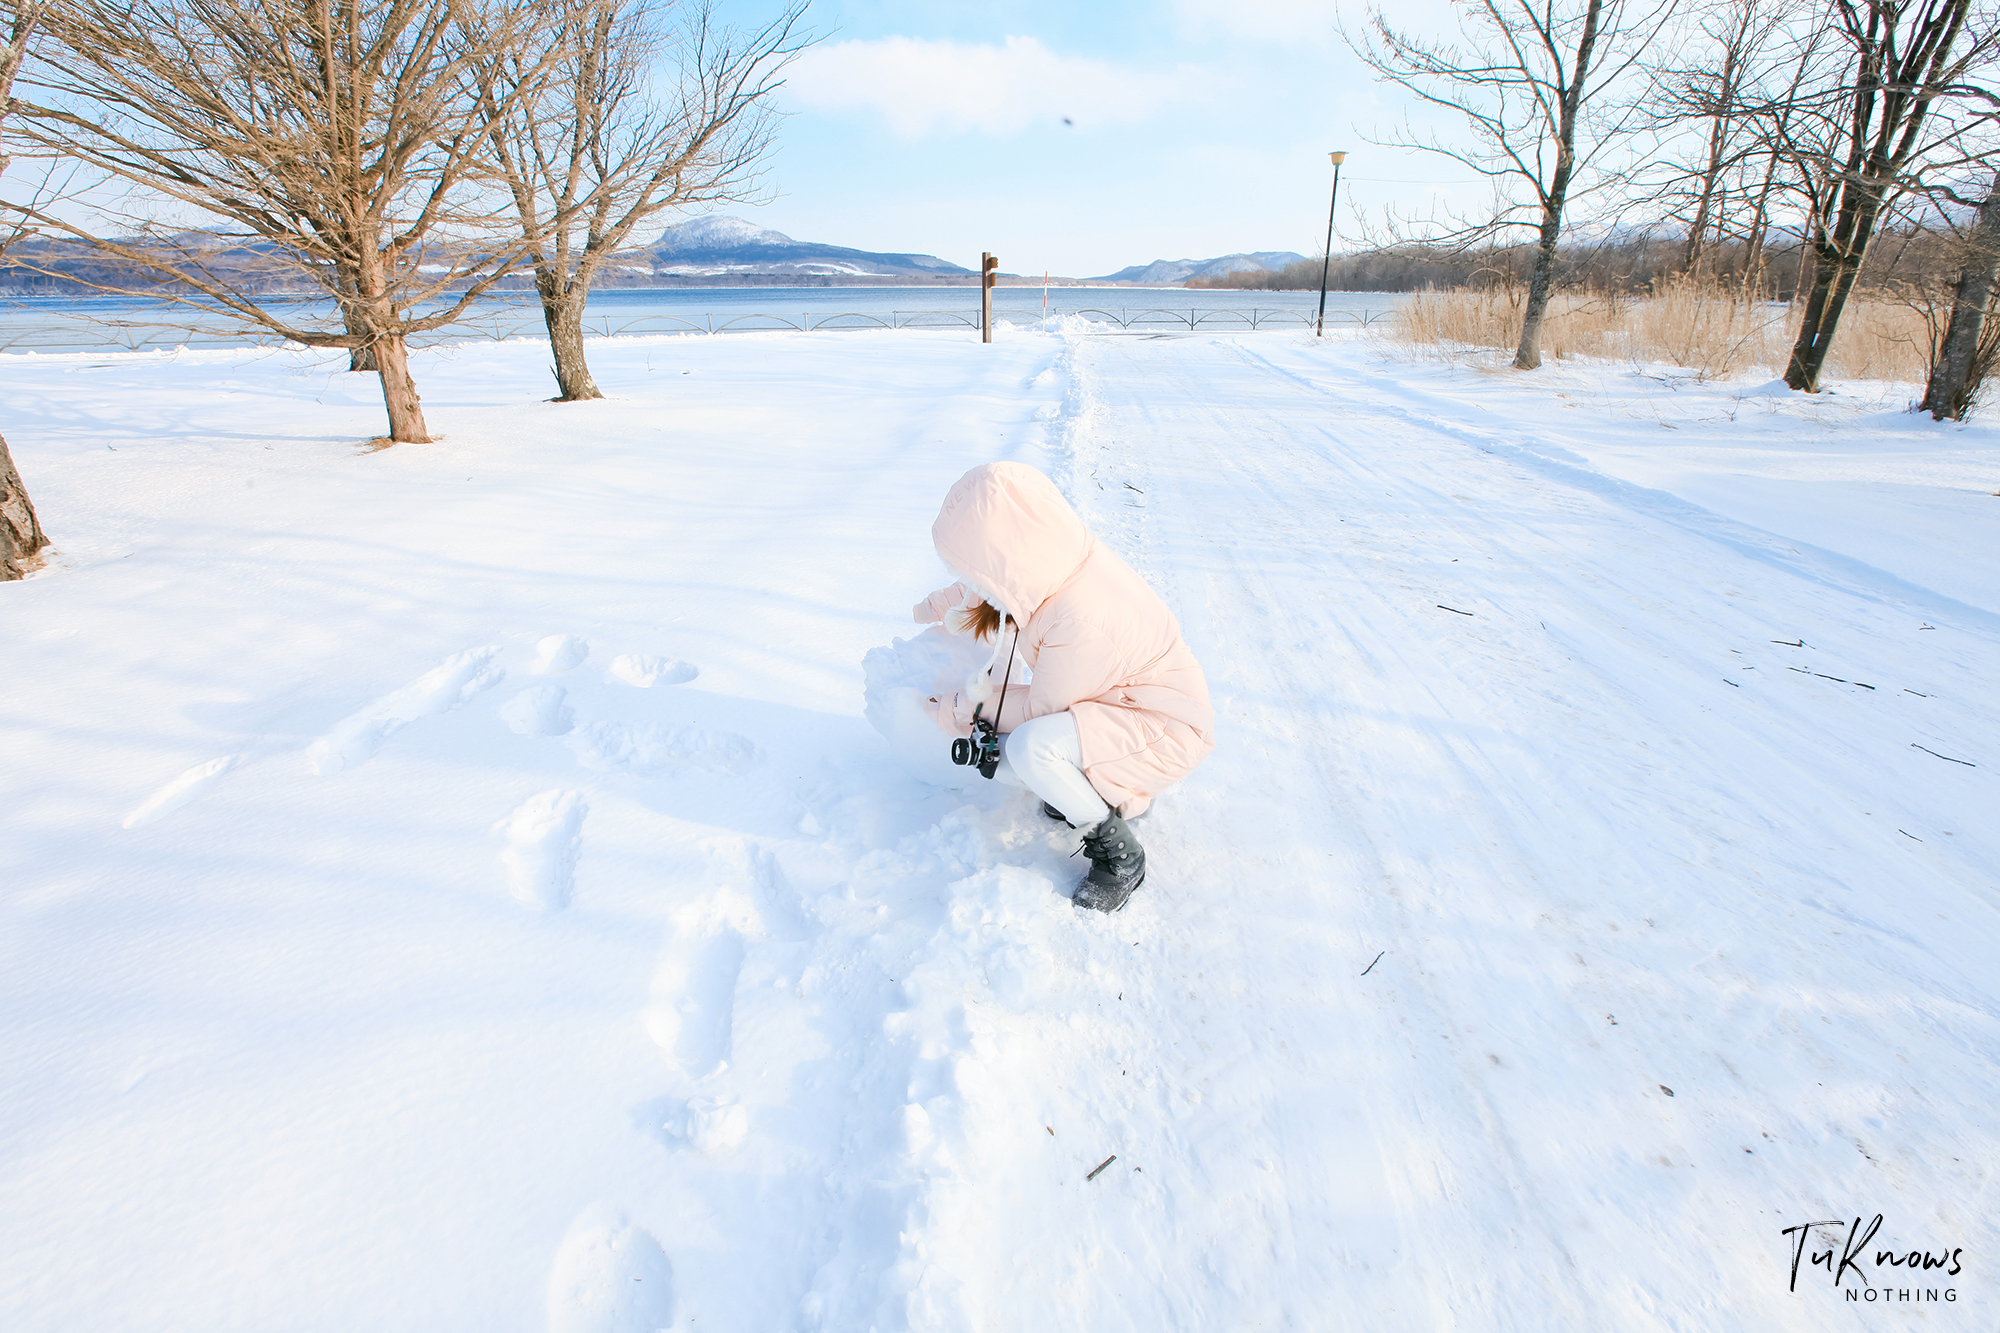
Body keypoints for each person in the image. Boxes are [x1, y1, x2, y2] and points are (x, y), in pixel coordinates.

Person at [914, 461, 1215, 912]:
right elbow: (988, 583)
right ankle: (1087, 790)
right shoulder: (1051, 563)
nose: (978, 582)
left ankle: (1119, 856)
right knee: (1030, 755)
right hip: (1126, 707)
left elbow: (1041, 714)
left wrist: (962, 706)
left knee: (1029, 750)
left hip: (1164, 732)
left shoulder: (1080, 616)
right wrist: (935, 606)